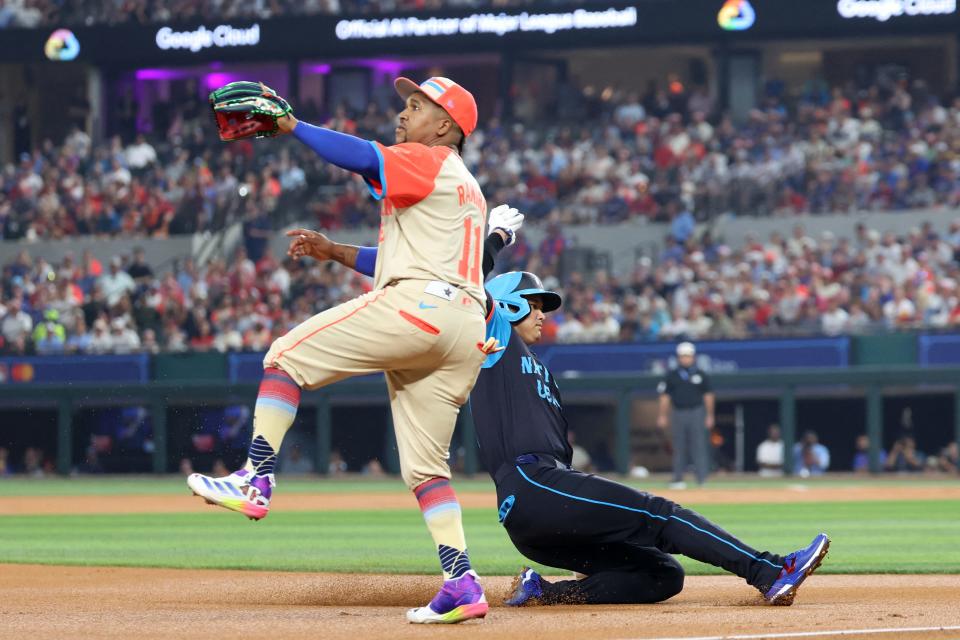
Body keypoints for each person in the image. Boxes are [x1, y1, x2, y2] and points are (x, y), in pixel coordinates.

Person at [316, 226, 829, 609]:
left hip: (538, 508)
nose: (544, 313)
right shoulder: (494, 340)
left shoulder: (538, 367)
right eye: (535, 303)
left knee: (661, 575)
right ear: (508, 305)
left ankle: (546, 594)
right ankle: (767, 571)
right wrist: (491, 237)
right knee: (660, 513)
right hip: (533, 483)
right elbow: (440, 276)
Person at [188, 75, 500, 625]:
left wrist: (292, 125)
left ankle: (255, 478)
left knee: (284, 355)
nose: (404, 114)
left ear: (446, 126)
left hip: (421, 309)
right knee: (428, 471)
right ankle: (461, 582)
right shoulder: (466, 185)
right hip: (463, 327)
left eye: (416, 106)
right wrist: (335, 252)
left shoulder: (428, 158)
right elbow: (407, 257)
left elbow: (361, 157)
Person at [657, 342, 714, 488]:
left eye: (688, 356)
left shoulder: (701, 374)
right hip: (678, 412)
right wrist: (662, 415)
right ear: (678, 357)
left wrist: (709, 415)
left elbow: (708, 395)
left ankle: (701, 479)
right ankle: (678, 479)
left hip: (696, 411)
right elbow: (665, 397)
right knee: (679, 446)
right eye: (683, 356)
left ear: (693, 357)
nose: (685, 359)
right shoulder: (672, 375)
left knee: (699, 446)